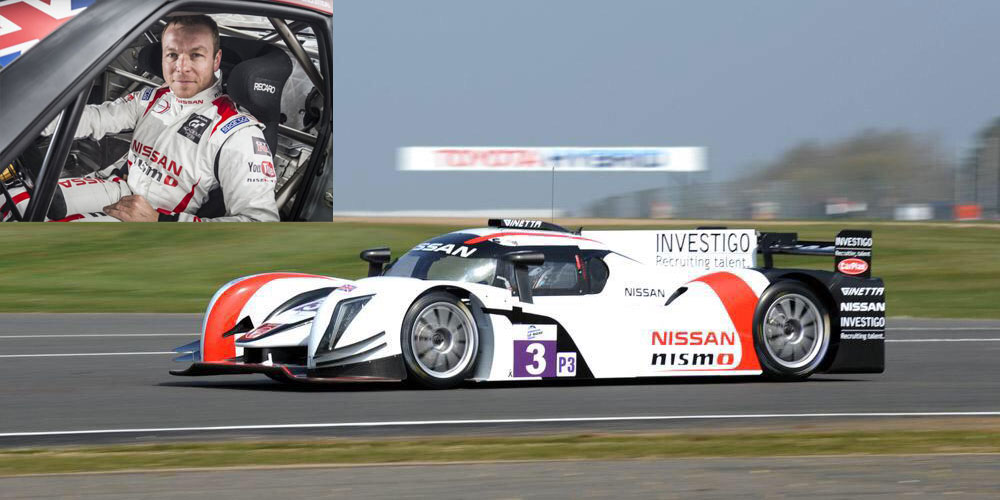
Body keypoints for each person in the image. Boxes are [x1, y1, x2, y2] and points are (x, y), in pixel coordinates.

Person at [1, 14, 279, 222]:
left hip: (158, 220)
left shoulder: (237, 133)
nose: (181, 67)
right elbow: (96, 118)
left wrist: (160, 223)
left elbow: (259, 225)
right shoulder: (154, 97)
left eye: (196, 55)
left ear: (216, 60)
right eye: (173, 54)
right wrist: (29, 122)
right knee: (11, 202)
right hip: (117, 187)